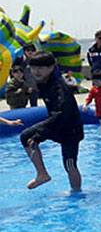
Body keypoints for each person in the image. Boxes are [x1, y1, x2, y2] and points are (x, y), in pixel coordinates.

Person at [18, 51, 83, 191]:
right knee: (25, 136)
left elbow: (62, 114)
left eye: (41, 68)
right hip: (56, 124)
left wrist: (40, 133)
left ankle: (76, 192)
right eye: (34, 67)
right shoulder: (44, 83)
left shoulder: (59, 88)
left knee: (69, 164)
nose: (37, 71)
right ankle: (42, 174)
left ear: (52, 67)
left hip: (70, 129)